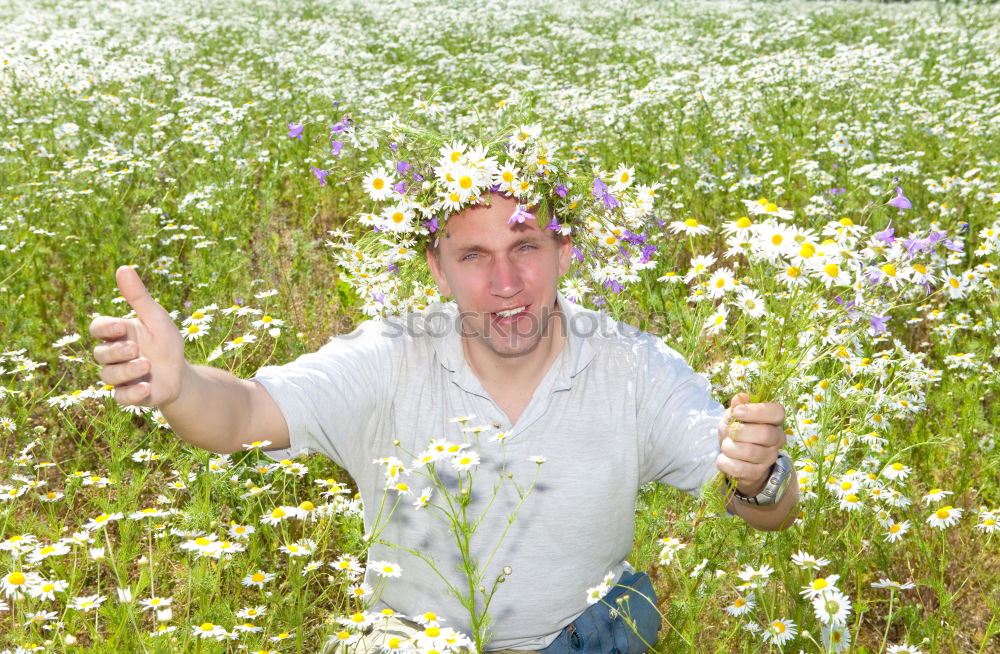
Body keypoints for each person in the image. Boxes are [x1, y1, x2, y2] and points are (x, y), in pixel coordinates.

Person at [90, 193, 796, 652]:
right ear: (437, 267)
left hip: (582, 636)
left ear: (565, 252)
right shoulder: (388, 356)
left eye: (526, 248)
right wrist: (180, 389)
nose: (507, 283)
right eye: (474, 256)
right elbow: (243, 411)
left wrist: (761, 473)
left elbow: (763, 503)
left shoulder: (635, 366)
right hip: (415, 641)